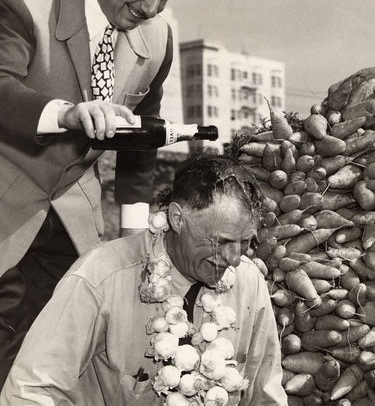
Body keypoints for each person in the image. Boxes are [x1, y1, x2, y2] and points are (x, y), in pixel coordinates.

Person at [0, 0, 191, 388]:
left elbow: (142, 143)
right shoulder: (22, 4)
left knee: (60, 352)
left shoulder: (159, 40)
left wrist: (132, 242)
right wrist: (65, 112)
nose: (152, 9)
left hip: (72, 221)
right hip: (4, 207)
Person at [0, 152, 287, 405]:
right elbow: (29, 392)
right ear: (177, 219)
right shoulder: (101, 277)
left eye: (244, 242)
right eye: (221, 241)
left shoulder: (249, 281)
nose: (234, 258)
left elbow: (265, 394)